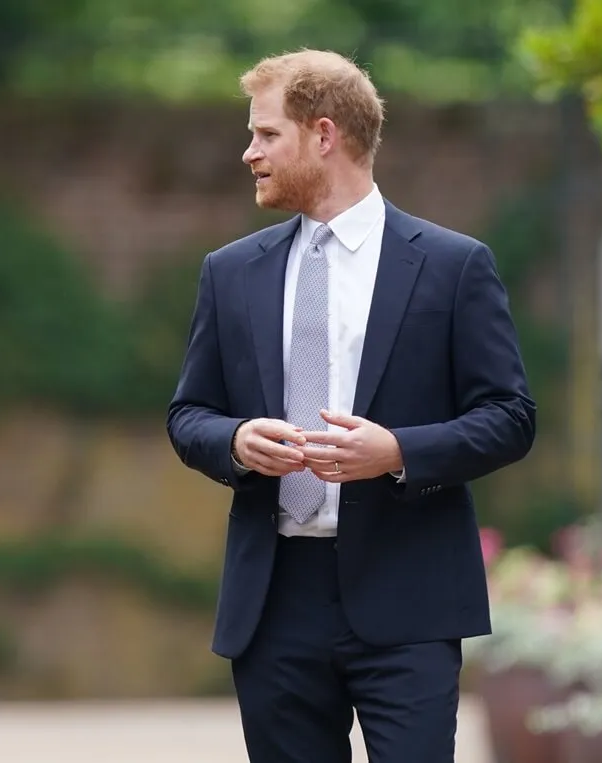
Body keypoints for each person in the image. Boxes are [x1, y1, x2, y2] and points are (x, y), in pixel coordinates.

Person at [166, 49, 535, 762]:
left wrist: (397, 452)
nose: (249, 153)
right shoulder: (230, 272)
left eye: (267, 134)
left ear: (324, 134)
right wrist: (237, 439)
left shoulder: (455, 265)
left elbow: (510, 416)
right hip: (274, 602)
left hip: (411, 595)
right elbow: (189, 415)